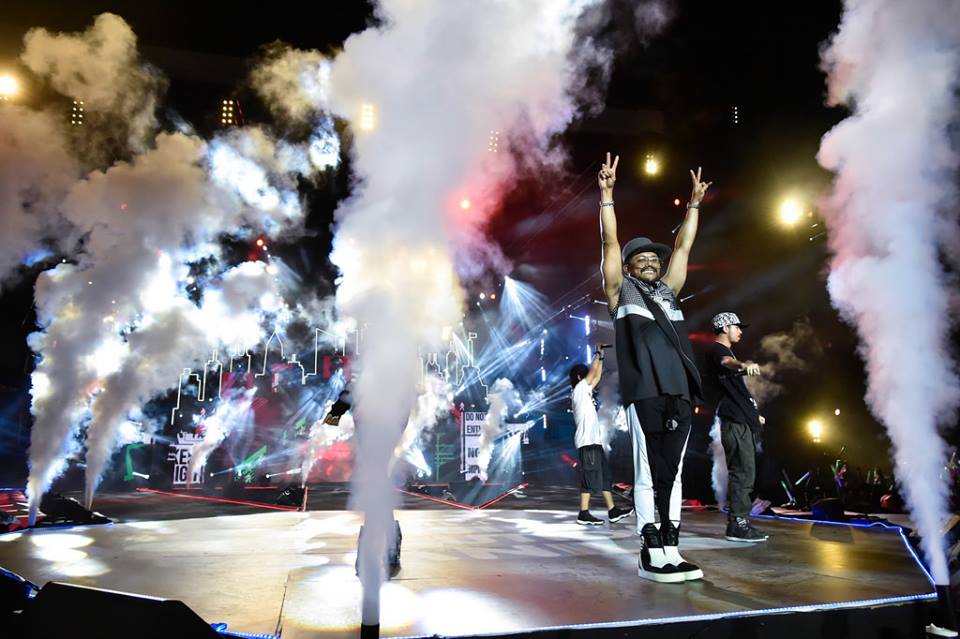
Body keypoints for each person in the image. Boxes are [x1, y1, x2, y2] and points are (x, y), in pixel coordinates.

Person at [597, 152, 709, 583]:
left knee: (673, 472)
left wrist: (693, 204)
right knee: (647, 470)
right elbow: (610, 244)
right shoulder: (620, 292)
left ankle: (671, 547)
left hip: (679, 390)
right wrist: (607, 196)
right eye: (640, 258)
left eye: (653, 259)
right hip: (644, 391)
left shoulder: (668, 291)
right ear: (628, 267)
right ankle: (649, 549)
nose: (649, 262)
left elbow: (684, 247)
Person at [707, 312, 768, 542]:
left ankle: (740, 523)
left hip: (741, 420)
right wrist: (744, 365)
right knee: (742, 473)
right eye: (737, 327)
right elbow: (726, 362)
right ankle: (737, 525)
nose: (740, 331)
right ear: (725, 328)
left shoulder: (726, 352)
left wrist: (754, 414)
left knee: (746, 473)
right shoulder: (718, 351)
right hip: (735, 423)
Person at [570, 343, 634, 525]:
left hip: (594, 442)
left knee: (605, 477)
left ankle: (612, 510)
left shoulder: (585, 391)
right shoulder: (579, 390)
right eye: (585, 375)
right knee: (589, 478)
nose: (590, 379)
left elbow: (596, 376)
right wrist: (597, 353)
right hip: (587, 442)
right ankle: (583, 513)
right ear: (579, 377)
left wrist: (602, 356)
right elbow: (593, 373)